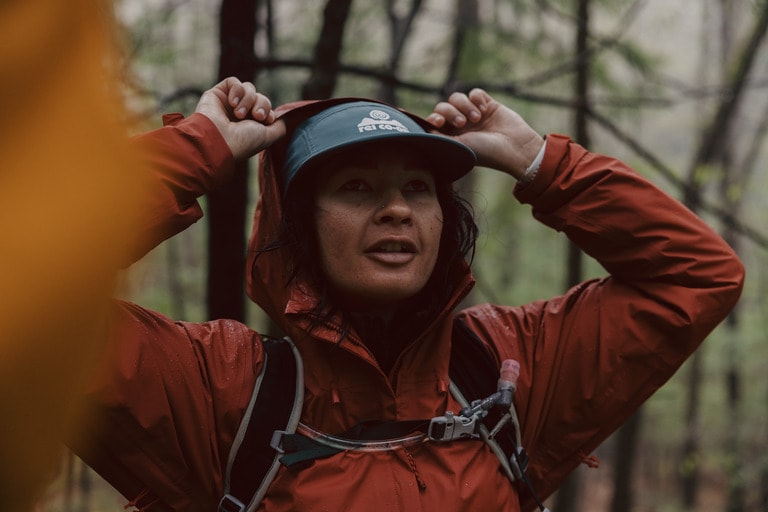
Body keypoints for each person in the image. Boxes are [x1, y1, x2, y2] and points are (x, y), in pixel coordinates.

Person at [71, 77, 744, 512]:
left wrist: (541, 161)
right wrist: (197, 149)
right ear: (299, 227)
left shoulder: (511, 373)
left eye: (417, 189)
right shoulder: (217, 392)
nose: (397, 210)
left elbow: (696, 276)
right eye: (357, 187)